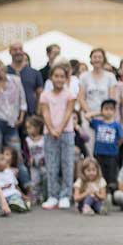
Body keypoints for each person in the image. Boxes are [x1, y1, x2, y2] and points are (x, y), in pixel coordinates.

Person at [39, 64, 77, 210]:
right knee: (51, 164)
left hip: (66, 132)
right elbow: (45, 113)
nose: (59, 79)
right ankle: (52, 195)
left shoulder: (69, 94)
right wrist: (52, 129)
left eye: (62, 76)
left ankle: (65, 195)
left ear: (66, 78)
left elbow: (68, 112)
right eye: (56, 76)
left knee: (67, 163)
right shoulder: (45, 95)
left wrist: (59, 129)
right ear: (51, 78)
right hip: (49, 133)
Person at [79, 48, 117, 151]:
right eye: (94, 57)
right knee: (89, 147)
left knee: (104, 147)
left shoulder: (110, 77)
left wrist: (103, 113)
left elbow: (112, 99)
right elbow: (81, 98)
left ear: (103, 59)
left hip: (105, 117)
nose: (97, 59)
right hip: (88, 117)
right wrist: (90, 113)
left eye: (99, 57)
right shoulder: (84, 76)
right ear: (90, 59)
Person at [6, 43, 43, 116]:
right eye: (15, 50)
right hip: (9, 114)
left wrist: (37, 112)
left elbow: (40, 93)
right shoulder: (4, 72)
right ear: (10, 52)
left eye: (20, 49)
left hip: (30, 114)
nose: (18, 52)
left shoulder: (35, 73)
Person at [24, 116, 46, 204]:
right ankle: (35, 196)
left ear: (37, 128)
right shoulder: (27, 140)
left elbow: (47, 151)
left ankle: (43, 195)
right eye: (27, 128)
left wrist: (44, 159)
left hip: (43, 163)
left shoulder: (44, 139)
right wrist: (29, 159)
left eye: (30, 127)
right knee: (35, 180)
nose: (28, 130)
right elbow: (25, 152)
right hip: (33, 164)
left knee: (44, 178)